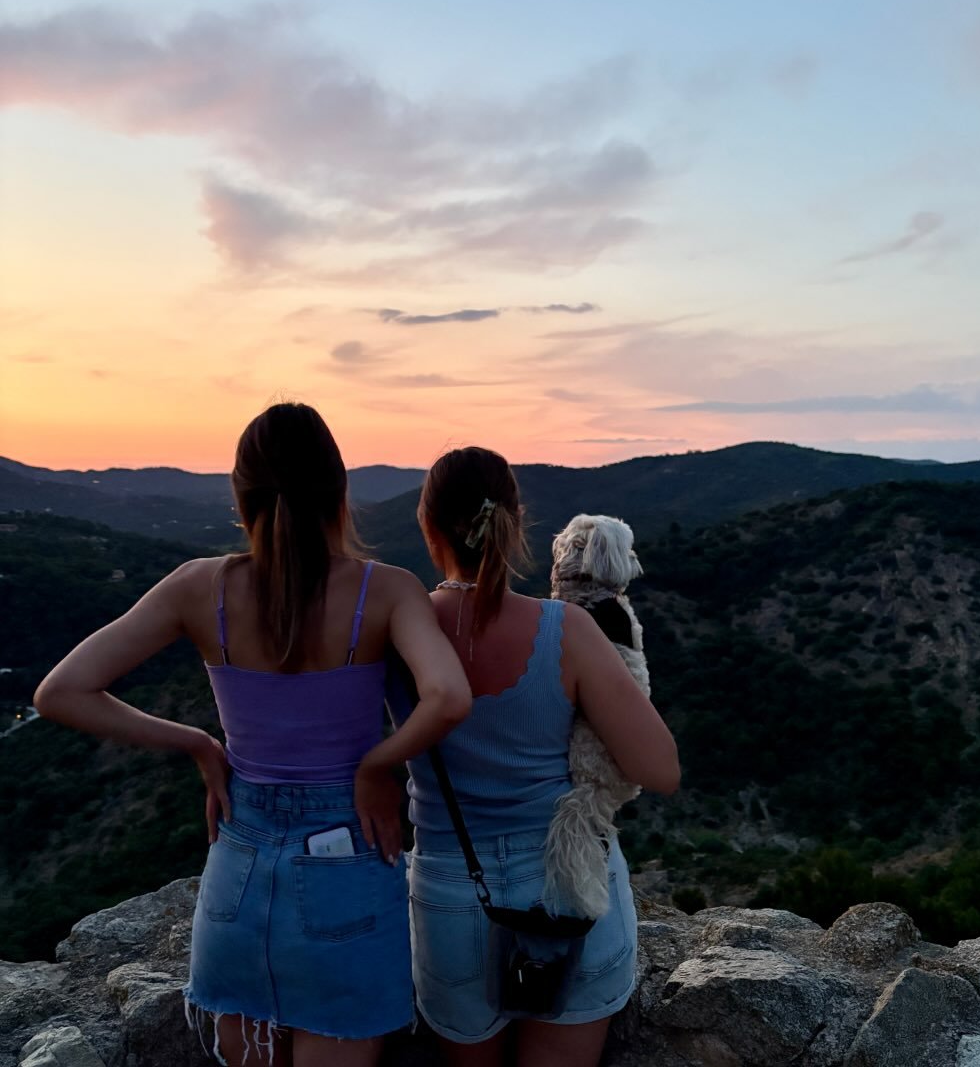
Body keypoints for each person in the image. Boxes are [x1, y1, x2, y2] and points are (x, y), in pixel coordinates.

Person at [34, 403, 472, 1067]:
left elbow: (60, 691)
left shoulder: (197, 586)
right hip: (348, 853)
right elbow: (448, 697)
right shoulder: (385, 590)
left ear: (241, 495)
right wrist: (375, 766)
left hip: (238, 862)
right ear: (338, 490)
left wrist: (197, 743)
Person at [392, 446, 680, 1067]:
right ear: (516, 523)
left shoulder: (397, 632)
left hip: (453, 894)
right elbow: (660, 769)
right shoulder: (569, 630)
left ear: (428, 526)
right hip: (570, 887)